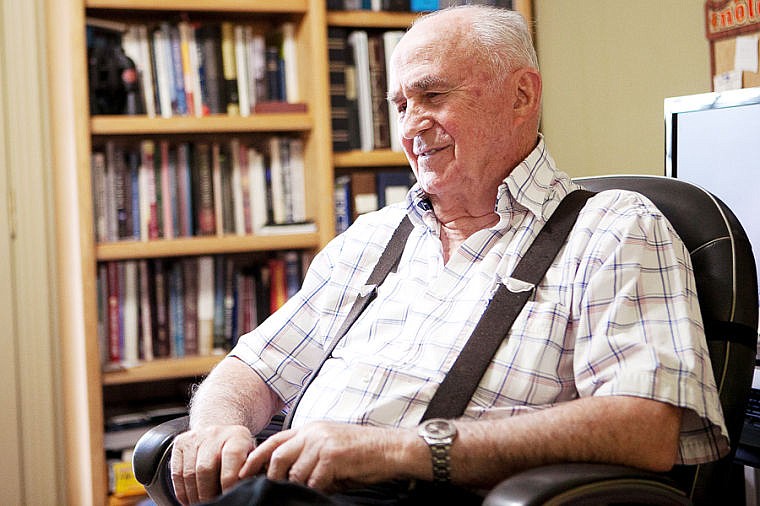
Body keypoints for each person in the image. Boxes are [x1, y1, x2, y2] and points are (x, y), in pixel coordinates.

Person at [170, 5, 728, 505]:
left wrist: (398, 450)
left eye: (433, 96)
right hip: (288, 491)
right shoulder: (371, 238)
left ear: (522, 95)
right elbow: (253, 368)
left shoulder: (614, 229)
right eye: (401, 105)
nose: (412, 126)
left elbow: (644, 427)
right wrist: (218, 428)